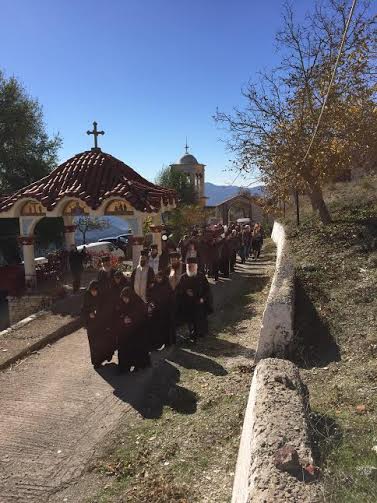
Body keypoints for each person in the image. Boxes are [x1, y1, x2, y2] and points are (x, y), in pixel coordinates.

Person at [177, 257, 212, 343]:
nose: (190, 268)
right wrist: (185, 291)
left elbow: (207, 289)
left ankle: (197, 335)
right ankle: (192, 335)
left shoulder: (201, 276)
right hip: (187, 304)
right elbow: (178, 290)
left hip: (199, 303)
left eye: (192, 266)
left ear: (196, 267)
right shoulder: (183, 277)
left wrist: (203, 298)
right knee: (190, 321)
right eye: (189, 267)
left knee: (198, 320)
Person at [117, 286, 150, 373]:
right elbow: (118, 314)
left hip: (138, 330)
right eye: (123, 298)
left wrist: (131, 318)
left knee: (137, 348)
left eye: (126, 298)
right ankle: (124, 367)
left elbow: (142, 315)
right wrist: (123, 318)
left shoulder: (138, 302)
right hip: (126, 330)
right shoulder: (122, 303)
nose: (125, 300)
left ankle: (138, 365)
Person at [81, 281, 113, 368]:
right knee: (93, 343)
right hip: (91, 324)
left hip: (100, 323)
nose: (93, 292)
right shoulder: (87, 296)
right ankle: (96, 362)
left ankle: (104, 357)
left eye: (95, 291)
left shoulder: (101, 297)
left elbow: (106, 309)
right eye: (92, 291)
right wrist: (89, 314)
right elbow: (83, 310)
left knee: (102, 342)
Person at [148, 270, 174, 349]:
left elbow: (170, 298)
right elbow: (151, 295)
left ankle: (167, 343)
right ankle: (156, 344)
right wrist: (152, 303)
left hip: (165, 311)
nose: (159, 279)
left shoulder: (167, 286)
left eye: (160, 278)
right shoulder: (155, 286)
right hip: (156, 310)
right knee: (155, 328)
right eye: (157, 278)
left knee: (165, 328)